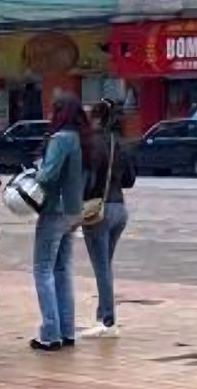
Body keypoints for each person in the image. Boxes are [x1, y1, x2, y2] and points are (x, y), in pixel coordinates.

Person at [30, 93, 86, 352]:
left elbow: (48, 176)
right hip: (74, 210)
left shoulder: (60, 139)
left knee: (43, 269)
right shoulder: (81, 139)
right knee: (63, 270)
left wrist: (36, 170)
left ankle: (50, 332)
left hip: (54, 209)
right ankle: (67, 330)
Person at [81, 98, 134, 339]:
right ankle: (103, 314)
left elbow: (87, 178)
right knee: (105, 265)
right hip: (120, 209)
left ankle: (107, 320)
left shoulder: (92, 143)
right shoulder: (120, 143)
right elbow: (129, 180)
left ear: (97, 118)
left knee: (101, 267)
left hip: (98, 210)